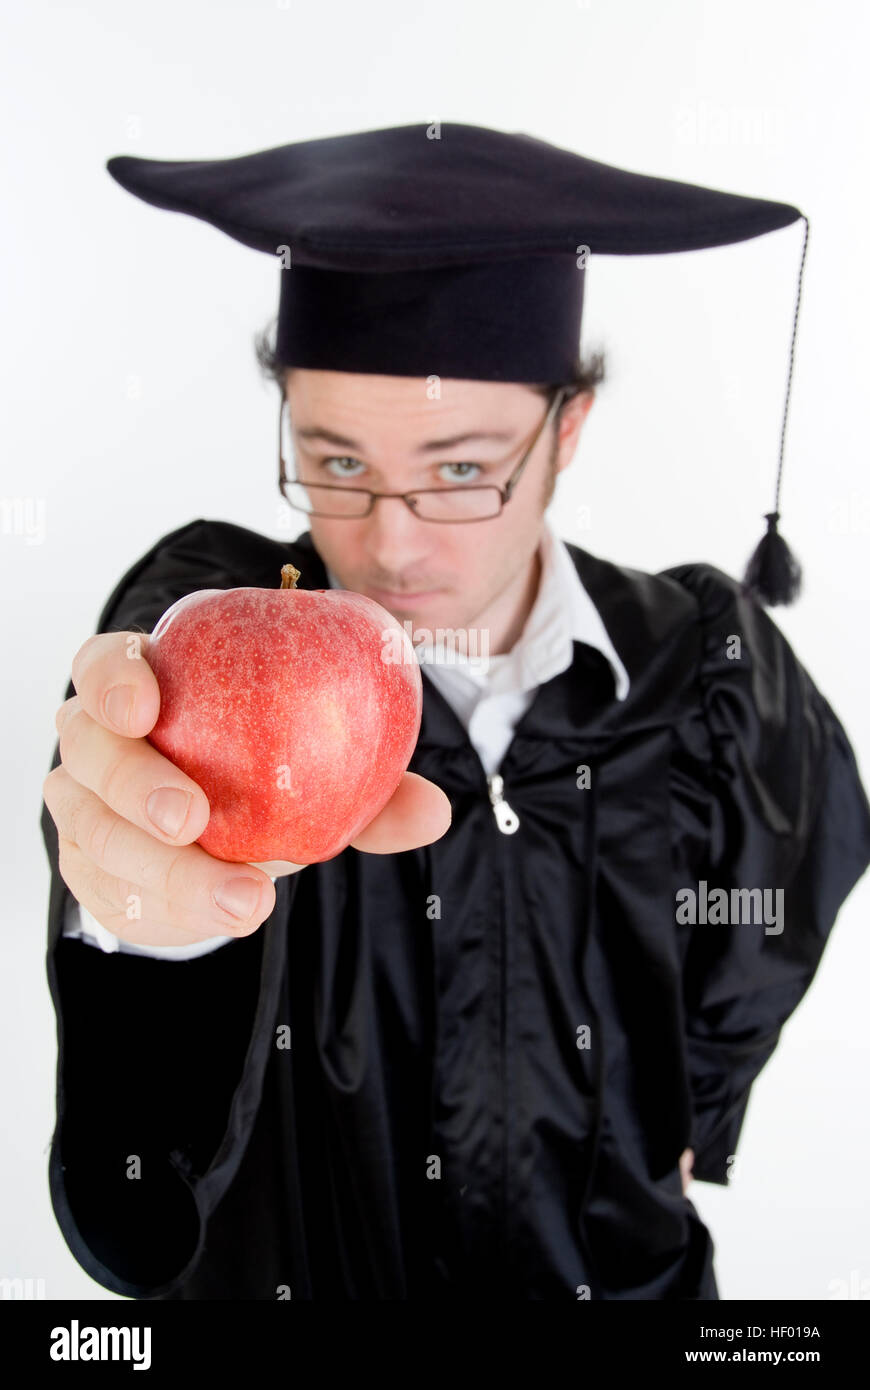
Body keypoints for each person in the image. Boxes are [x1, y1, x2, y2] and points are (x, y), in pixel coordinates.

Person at [41, 123, 870, 1300]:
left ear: (566, 429)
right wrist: (156, 920)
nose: (390, 543)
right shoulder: (196, 645)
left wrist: (700, 1101)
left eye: (463, 469)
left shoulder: (700, 666)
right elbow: (149, 1126)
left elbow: (791, 871)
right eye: (335, 463)